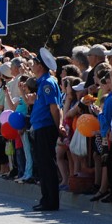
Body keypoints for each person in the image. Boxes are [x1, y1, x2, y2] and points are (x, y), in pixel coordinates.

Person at [30, 49, 63, 212]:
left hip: (45, 128)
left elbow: (55, 108)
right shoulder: (43, 82)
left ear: (40, 66)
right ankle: (46, 199)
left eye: (34, 63)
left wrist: (58, 127)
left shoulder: (48, 83)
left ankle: (51, 201)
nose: (32, 66)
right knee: (43, 164)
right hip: (40, 127)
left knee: (47, 165)